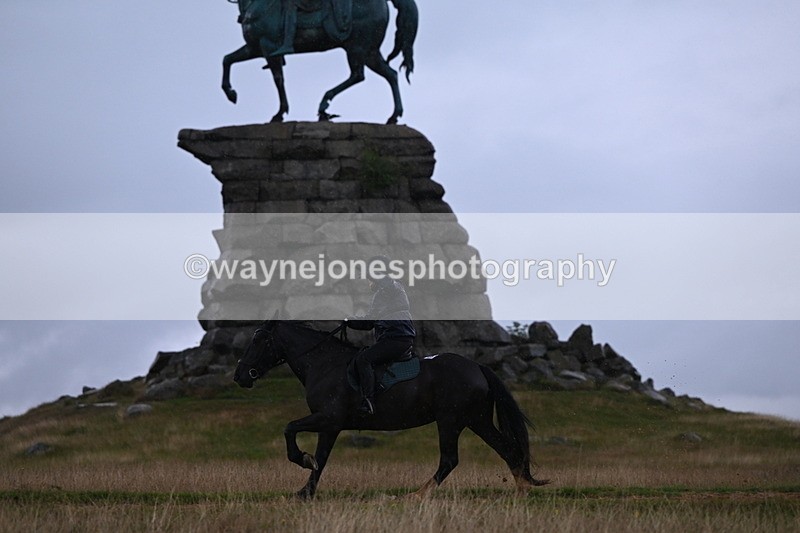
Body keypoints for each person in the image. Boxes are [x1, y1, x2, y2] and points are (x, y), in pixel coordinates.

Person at [346, 256, 416, 415]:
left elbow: (369, 321)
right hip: (399, 337)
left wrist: (348, 320)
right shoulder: (391, 287)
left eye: (368, 277)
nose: (368, 281)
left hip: (396, 339)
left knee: (363, 359)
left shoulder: (386, 289)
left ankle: (368, 401)